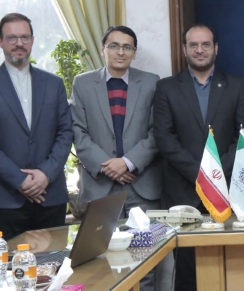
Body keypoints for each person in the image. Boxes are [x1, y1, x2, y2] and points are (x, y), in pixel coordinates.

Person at [152, 24, 244, 291]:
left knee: (232, 268)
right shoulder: (166, 88)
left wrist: (217, 173)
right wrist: (201, 175)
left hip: (228, 191)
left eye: (206, 44)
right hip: (183, 193)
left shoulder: (236, 85)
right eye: (194, 45)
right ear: (184, 49)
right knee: (187, 271)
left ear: (216, 49)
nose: (200, 50)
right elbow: (164, 139)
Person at [70, 26, 171, 291]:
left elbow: (158, 131)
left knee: (145, 258)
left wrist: (127, 162)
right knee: (102, 261)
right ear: (102, 49)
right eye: (114, 46)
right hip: (100, 187)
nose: (120, 52)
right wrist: (109, 166)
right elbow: (77, 131)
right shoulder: (82, 83)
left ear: (134, 53)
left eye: (127, 47)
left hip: (142, 186)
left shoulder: (151, 82)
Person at [0, 13, 73, 240]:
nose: (19, 43)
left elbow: (65, 133)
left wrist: (46, 174)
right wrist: (19, 180)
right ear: (0, 41)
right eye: (12, 38)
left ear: (32, 40)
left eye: (25, 37)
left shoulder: (54, 84)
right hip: (4, 198)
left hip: (50, 195)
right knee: (7, 262)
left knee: (53, 260)